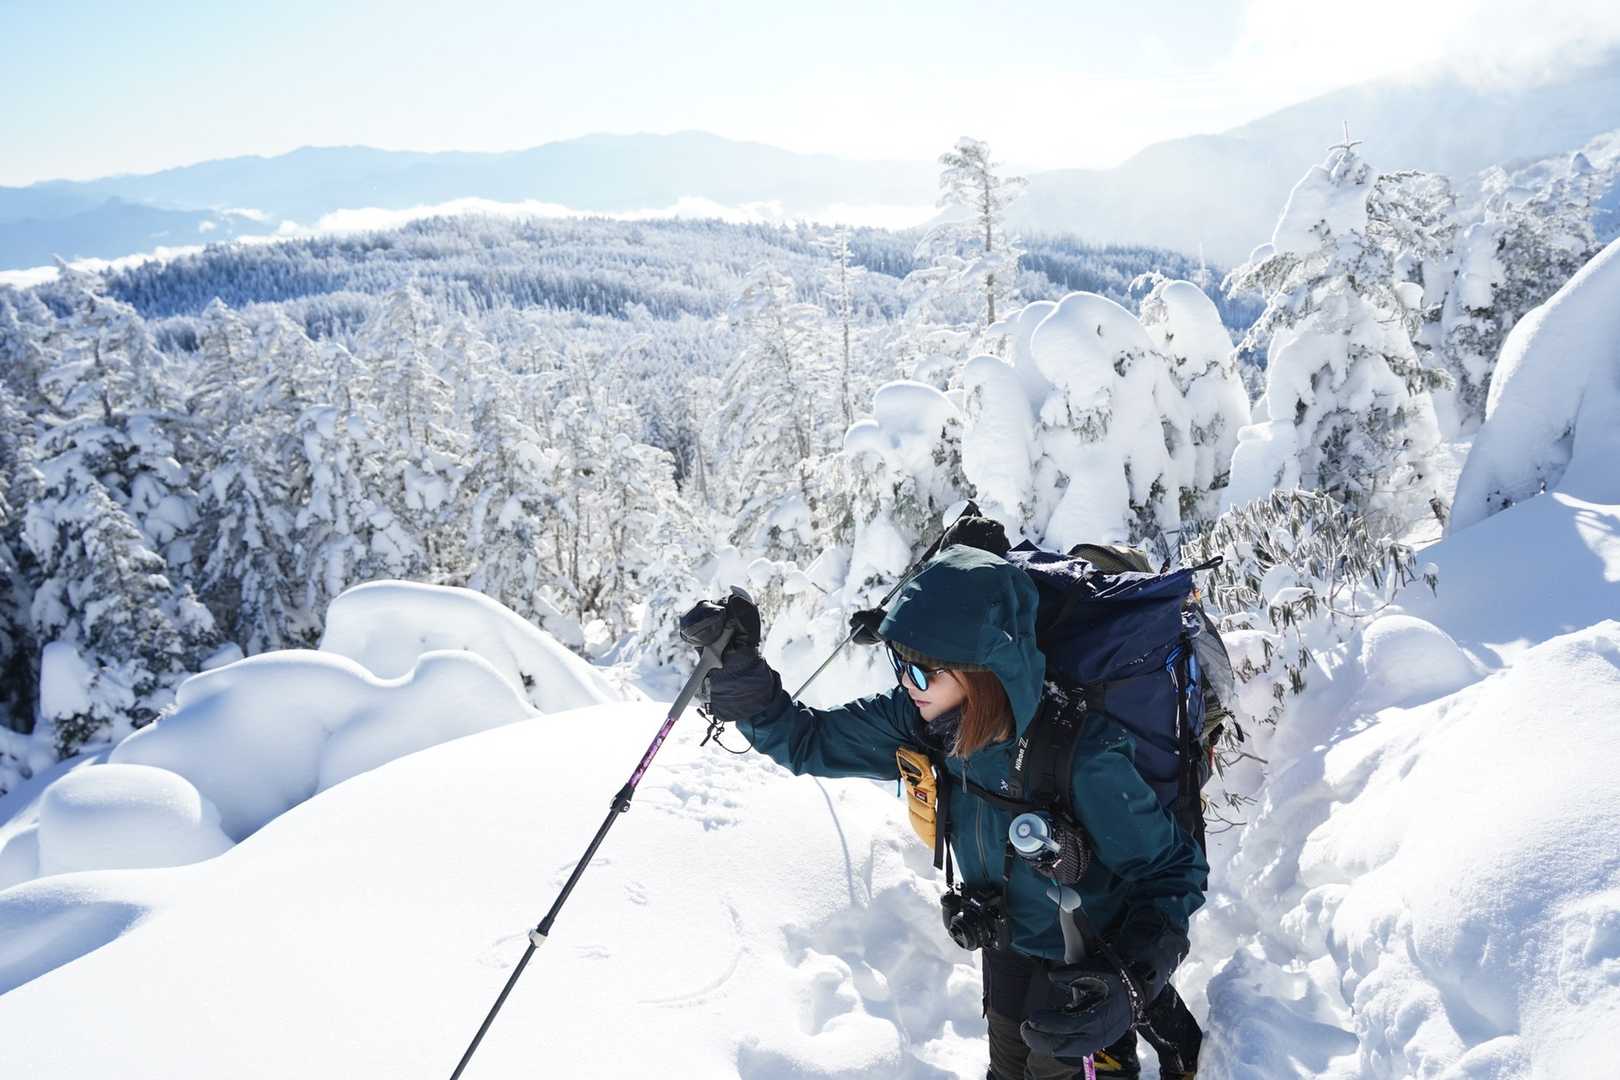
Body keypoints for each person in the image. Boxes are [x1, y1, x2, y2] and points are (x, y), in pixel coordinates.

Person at [681, 545, 1208, 1079]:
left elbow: (1172, 872)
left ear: (985, 672)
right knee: (1008, 1070)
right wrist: (740, 669)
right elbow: (807, 739)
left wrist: (1127, 981)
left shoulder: (1081, 755)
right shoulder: (921, 721)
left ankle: (1169, 1043)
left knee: (1069, 1062)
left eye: (923, 672)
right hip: (1006, 939)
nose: (906, 684)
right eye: (900, 664)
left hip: (1088, 955)